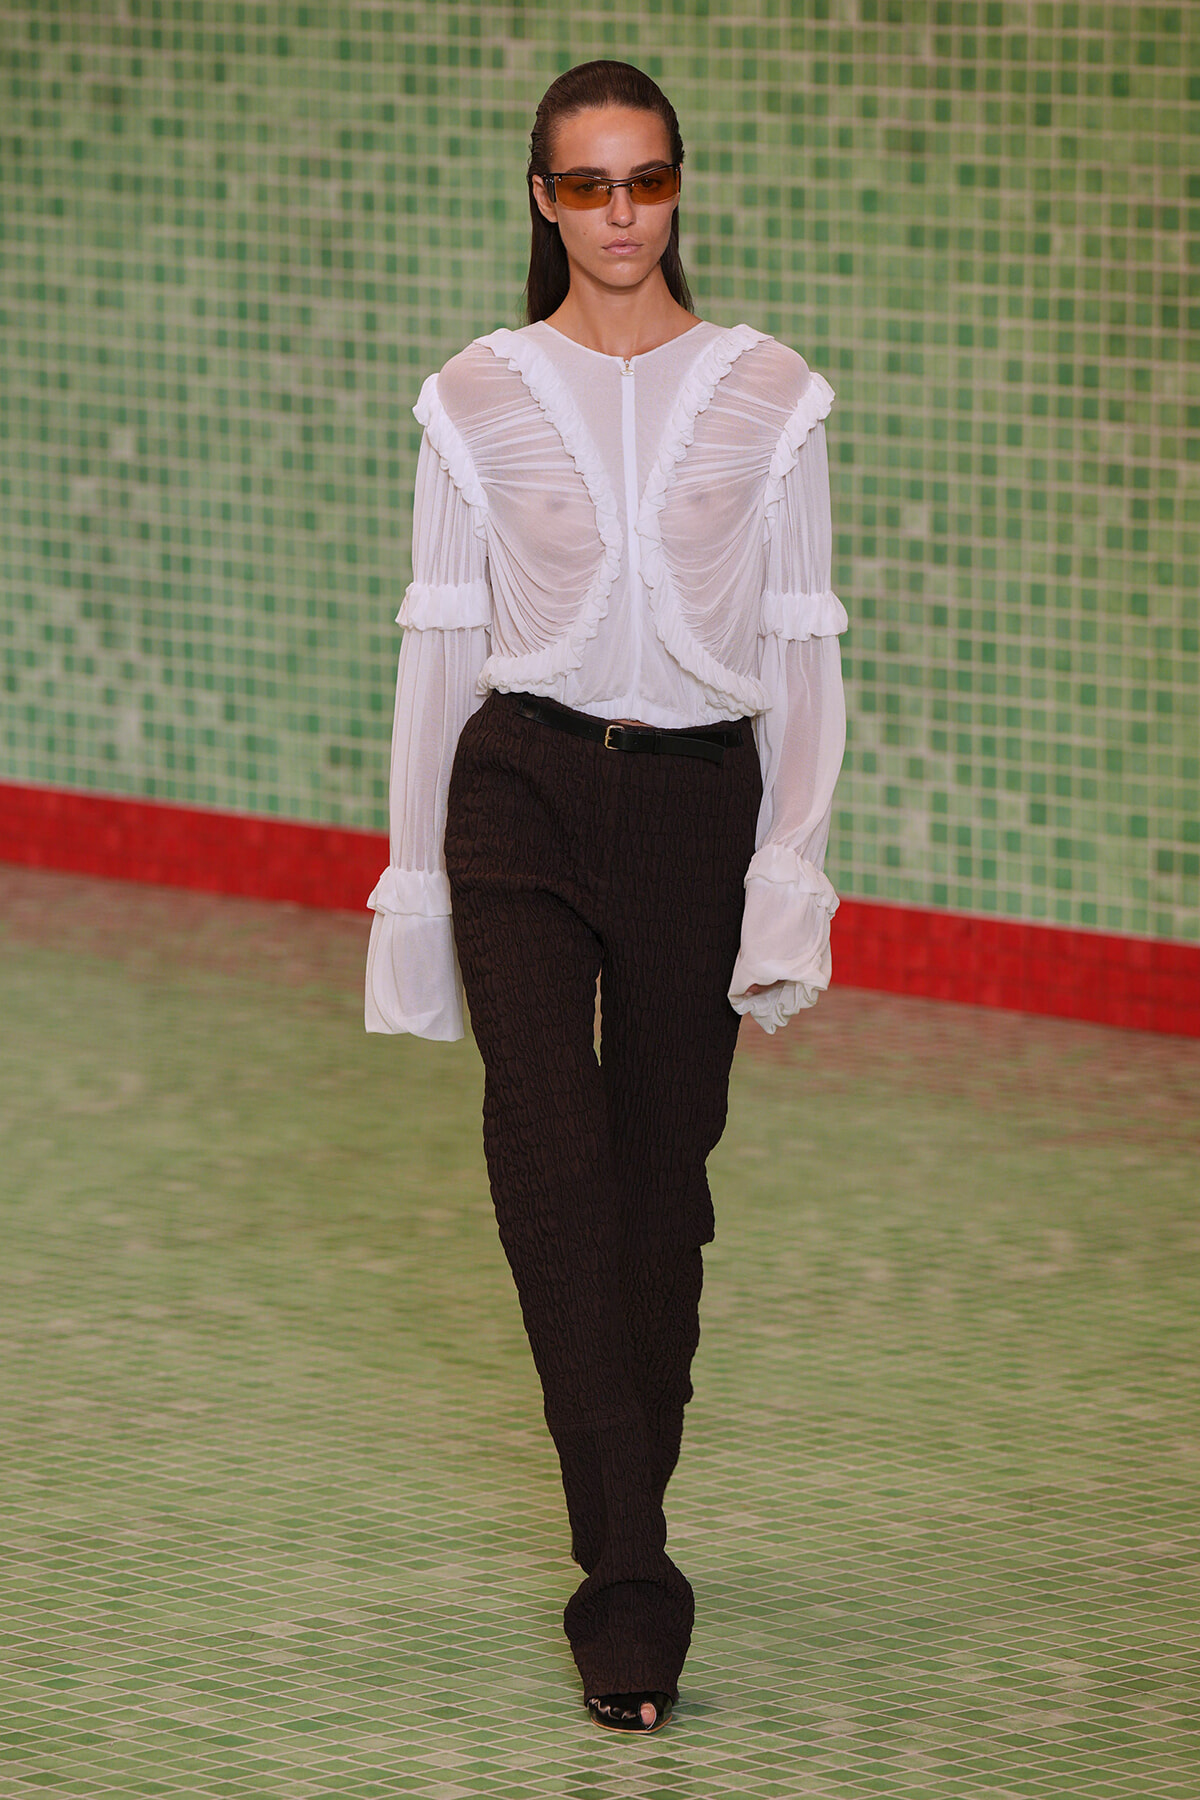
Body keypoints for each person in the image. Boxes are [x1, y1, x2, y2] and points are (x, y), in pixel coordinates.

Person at [365, 59, 847, 1734]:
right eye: (588, 186)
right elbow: (438, 642)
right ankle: (625, 1584)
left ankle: (624, 1496)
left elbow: (800, 649)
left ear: (678, 188)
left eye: (646, 181)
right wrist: (418, 887)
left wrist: (788, 884)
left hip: (696, 807)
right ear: (543, 199)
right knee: (549, 1166)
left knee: (662, 1196)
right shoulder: (477, 393)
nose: (621, 214)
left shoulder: (769, 390)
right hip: (519, 790)